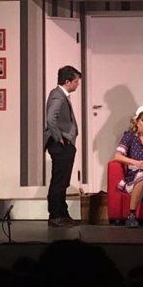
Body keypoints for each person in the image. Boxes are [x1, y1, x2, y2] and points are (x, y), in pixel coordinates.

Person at [43, 65, 81, 227]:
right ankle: (55, 215)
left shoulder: (60, 95)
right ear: (67, 81)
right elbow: (50, 119)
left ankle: (62, 213)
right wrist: (60, 138)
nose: (77, 84)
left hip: (64, 144)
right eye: (76, 81)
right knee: (59, 180)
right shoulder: (58, 96)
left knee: (63, 180)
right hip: (60, 145)